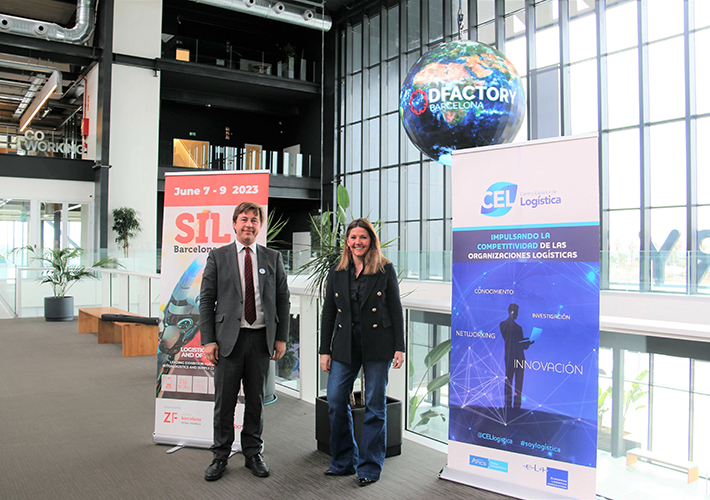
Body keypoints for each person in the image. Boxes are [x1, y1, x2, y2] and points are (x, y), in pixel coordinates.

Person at [199, 201, 290, 481]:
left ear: (259, 226)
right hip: (228, 341)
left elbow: (283, 299)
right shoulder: (218, 256)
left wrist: (281, 338)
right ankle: (220, 456)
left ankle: (252, 452)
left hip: (261, 340)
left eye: (254, 220)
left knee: (256, 401)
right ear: (234, 223)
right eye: (243, 219)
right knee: (224, 402)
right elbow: (206, 300)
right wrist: (208, 340)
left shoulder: (272, 258)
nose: (249, 224)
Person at [319, 218, 405, 487]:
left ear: (371, 241)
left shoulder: (384, 268)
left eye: (363, 237)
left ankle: (369, 466)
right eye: (353, 237)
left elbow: (395, 307)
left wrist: (399, 346)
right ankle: (344, 461)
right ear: (347, 241)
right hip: (345, 344)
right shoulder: (337, 271)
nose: (358, 242)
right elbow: (329, 313)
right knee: (334, 400)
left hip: (378, 343)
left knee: (375, 406)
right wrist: (325, 350)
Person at [499, 303, 534, 410]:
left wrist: (527, 342)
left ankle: (516, 406)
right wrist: (526, 342)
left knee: (518, 383)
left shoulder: (518, 328)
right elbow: (513, 341)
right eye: (516, 312)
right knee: (510, 381)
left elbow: (521, 344)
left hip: (519, 358)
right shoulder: (505, 325)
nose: (517, 315)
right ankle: (508, 405)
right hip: (512, 357)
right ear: (512, 312)